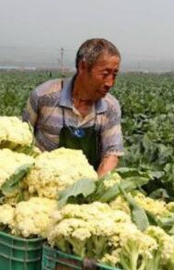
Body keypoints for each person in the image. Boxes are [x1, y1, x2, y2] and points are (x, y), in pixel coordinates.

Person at [22, 38, 124, 176]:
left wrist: (97, 190)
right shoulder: (43, 96)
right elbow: (22, 141)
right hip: (42, 182)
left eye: (114, 75)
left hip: (87, 186)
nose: (110, 83)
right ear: (83, 67)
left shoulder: (110, 107)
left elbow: (111, 155)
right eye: (105, 74)